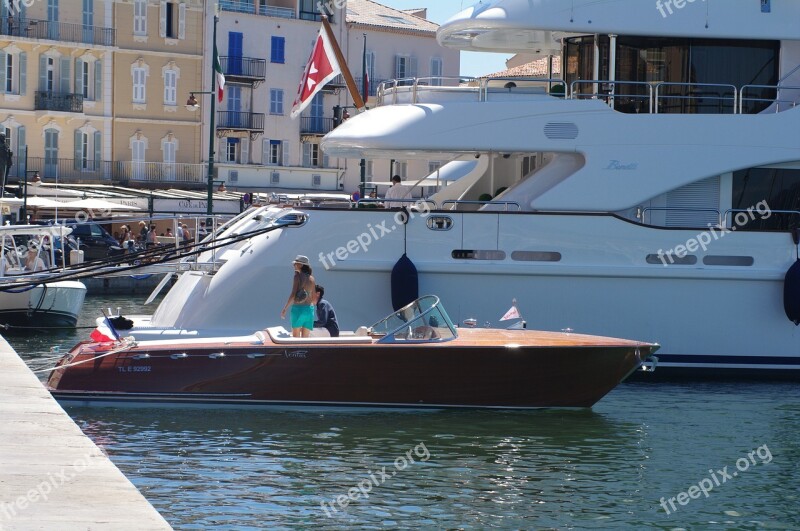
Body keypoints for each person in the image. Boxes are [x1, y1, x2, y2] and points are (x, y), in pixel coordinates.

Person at [281, 255, 316, 337]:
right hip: (309, 311)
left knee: (296, 339)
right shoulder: (312, 278)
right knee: (305, 340)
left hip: (298, 310)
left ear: (301, 265)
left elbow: (293, 294)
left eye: (296, 263)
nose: (294, 265)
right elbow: (314, 299)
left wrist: (285, 308)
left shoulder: (297, 277)